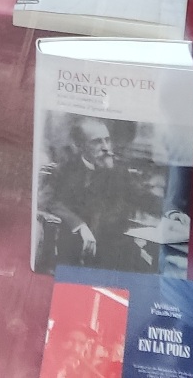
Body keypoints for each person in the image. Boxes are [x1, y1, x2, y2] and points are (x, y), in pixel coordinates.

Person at [37, 116, 154, 272]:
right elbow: (47, 200)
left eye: (107, 140)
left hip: (114, 248)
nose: (106, 147)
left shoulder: (119, 170)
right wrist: (79, 225)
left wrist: (172, 211)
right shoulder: (65, 170)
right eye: (97, 142)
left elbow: (142, 198)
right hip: (75, 248)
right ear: (79, 145)